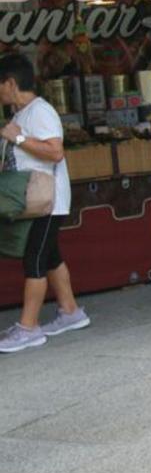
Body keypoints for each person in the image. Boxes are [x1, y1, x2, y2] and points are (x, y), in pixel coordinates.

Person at [0, 55, 87, 353]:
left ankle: (29, 327)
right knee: (50, 257)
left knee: (34, 259)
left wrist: (19, 138)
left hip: (49, 200)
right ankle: (70, 311)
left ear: (11, 83)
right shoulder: (19, 113)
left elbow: (55, 152)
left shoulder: (40, 111)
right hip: (37, 200)